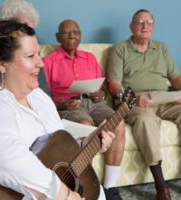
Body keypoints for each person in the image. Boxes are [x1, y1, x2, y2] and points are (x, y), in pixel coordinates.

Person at [0, 19, 115, 200]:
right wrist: (64, 195)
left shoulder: (39, 97)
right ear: (1, 64)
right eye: (30, 56)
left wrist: (82, 145)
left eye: (39, 54)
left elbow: (50, 149)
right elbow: (8, 160)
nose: (41, 63)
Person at [107, 9, 181, 200]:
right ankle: (161, 186)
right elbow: (114, 84)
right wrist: (132, 98)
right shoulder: (120, 49)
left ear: (153, 27)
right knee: (146, 120)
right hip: (136, 101)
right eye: (140, 22)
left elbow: (176, 76)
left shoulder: (162, 48)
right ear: (131, 27)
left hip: (163, 97)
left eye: (149, 22)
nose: (145, 25)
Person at [43, 19, 126, 200]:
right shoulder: (48, 62)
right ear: (58, 37)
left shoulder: (90, 58)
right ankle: (88, 185)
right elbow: (41, 98)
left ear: (80, 35)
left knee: (118, 122)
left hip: (95, 103)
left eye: (76, 32)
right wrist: (60, 105)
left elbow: (101, 88)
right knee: (86, 125)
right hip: (69, 105)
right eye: (66, 32)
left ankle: (110, 187)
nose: (72, 35)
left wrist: (101, 95)